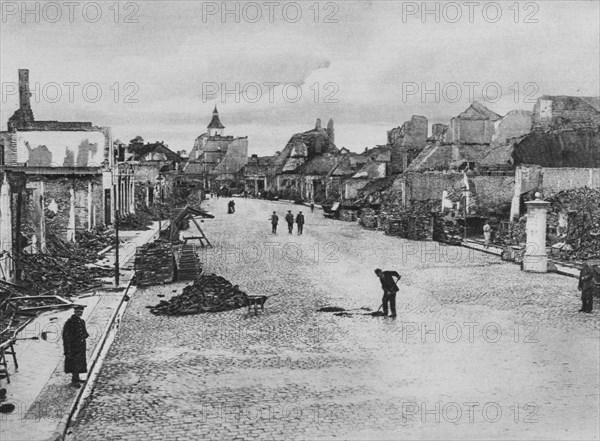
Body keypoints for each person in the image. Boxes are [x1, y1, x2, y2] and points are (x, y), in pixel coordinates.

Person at [62, 305, 89, 388]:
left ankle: (77, 378)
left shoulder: (81, 321)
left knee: (79, 363)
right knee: (74, 364)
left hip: (80, 346)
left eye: (81, 312)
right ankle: (75, 381)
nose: (79, 313)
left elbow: (85, 332)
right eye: (77, 312)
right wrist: (67, 349)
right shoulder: (70, 322)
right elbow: (65, 336)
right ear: (74, 312)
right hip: (73, 347)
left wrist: (84, 336)